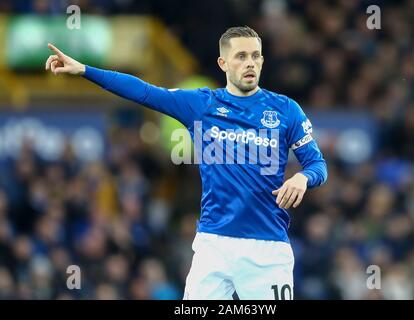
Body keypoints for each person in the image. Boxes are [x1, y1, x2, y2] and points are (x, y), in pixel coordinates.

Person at [45, 26, 327, 300]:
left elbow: (317, 165)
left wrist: (303, 177)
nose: (250, 63)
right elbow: (143, 91)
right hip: (214, 244)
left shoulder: (285, 110)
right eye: (241, 56)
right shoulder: (201, 105)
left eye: (255, 55)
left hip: (267, 247)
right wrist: (84, 70)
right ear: (223, 62)